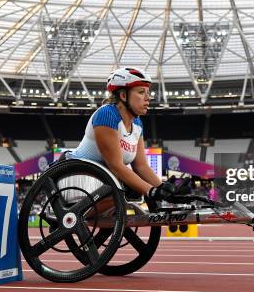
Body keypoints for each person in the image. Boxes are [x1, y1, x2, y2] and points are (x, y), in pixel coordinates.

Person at [69, 67, 175, 202]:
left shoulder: (137, 123)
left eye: (148, 92)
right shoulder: (107, 114)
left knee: (130, 193)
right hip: (75, 180)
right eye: (141, 92)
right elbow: (116, 166)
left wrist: (165, 189)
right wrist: (151, 191)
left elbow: (141, 166)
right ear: (123, 95)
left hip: (99, 184)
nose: (148, 98)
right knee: (128, 193)